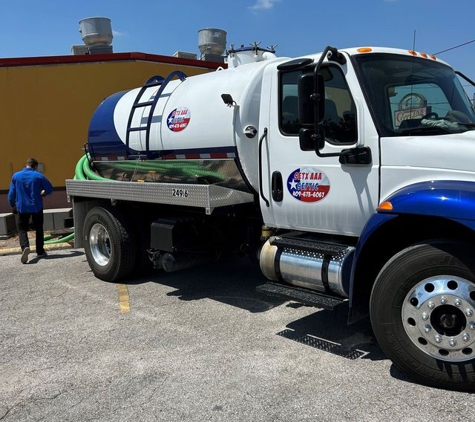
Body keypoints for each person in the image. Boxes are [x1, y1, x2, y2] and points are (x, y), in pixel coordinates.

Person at [8, 158, 54, 264]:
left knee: (22, 229)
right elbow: (50, 188)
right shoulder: (38, 176)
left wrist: (12, 205)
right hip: (36, 206)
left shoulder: (16, 176)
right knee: (39, 229)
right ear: (35, 166)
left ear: (26, 165)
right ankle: (40, 251)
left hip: (22, 207)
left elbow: (11, 193)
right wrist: (44, 193)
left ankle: (25, 247)